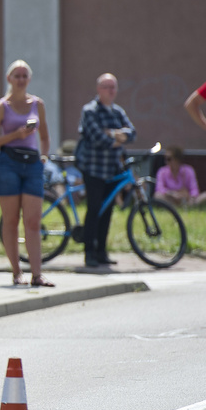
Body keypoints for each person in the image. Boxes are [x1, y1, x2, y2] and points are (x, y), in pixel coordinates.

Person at [0, 60, 54, 287]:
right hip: (8, 163)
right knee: (11, 221)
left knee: (33, 221)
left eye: (25, 76)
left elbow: (44, 136)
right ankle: (16, 272)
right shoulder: (1, 106)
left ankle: (37, 274)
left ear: (29, 79)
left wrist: (43, 157)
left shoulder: (38, 104)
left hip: (32, 165)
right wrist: (16, 135)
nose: (21, 79)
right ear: (9, 79)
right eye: (17, 76)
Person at [75, 73, 136, 267]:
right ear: (98, 89)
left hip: (112, 169)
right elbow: (96, 137)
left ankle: (101, 251)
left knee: (107, 210)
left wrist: (112, 133)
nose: (111, 91)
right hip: (93, 168)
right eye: (107, 87)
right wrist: (115, 138)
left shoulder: (118, 111)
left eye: (113, 87)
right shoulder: (90, 110)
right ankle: (89, 253)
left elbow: (132, 132)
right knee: (94, 209)